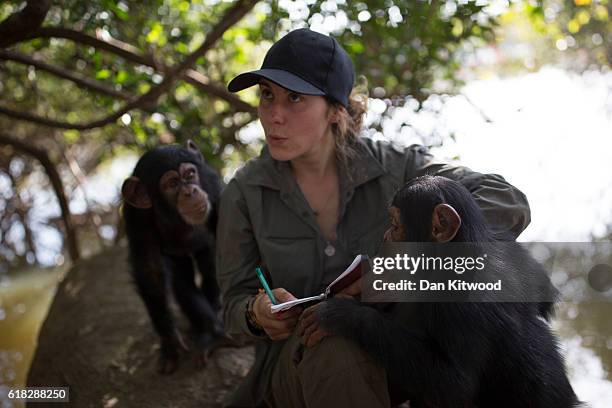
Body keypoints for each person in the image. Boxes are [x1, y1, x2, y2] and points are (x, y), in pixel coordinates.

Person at [216, 28, 530, 408]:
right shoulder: (244, 193)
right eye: (267, 95)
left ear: (336, 109)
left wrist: (400, 267)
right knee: (334, 339)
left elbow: (507, 202)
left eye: (294, 98)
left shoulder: (398, 168)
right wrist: (256, 313)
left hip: (401, 356)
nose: (273, 115)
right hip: (296, 369)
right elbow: (231, 302)